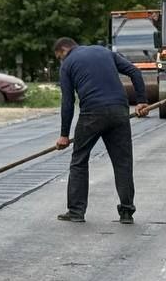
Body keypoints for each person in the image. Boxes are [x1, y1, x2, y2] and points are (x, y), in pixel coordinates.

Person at [53, 36, 149, 226]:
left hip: (92, 113)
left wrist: (64, 135)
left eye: (59, 57)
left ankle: (76, 211)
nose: (60, 61)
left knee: (79, 161)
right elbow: (135, 72)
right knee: (123, 162)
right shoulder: (105, 52)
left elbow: (68, 102)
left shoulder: (67, 64)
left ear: (63, 50)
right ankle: (127, 212)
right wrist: (142, 101)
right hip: (119, 111)